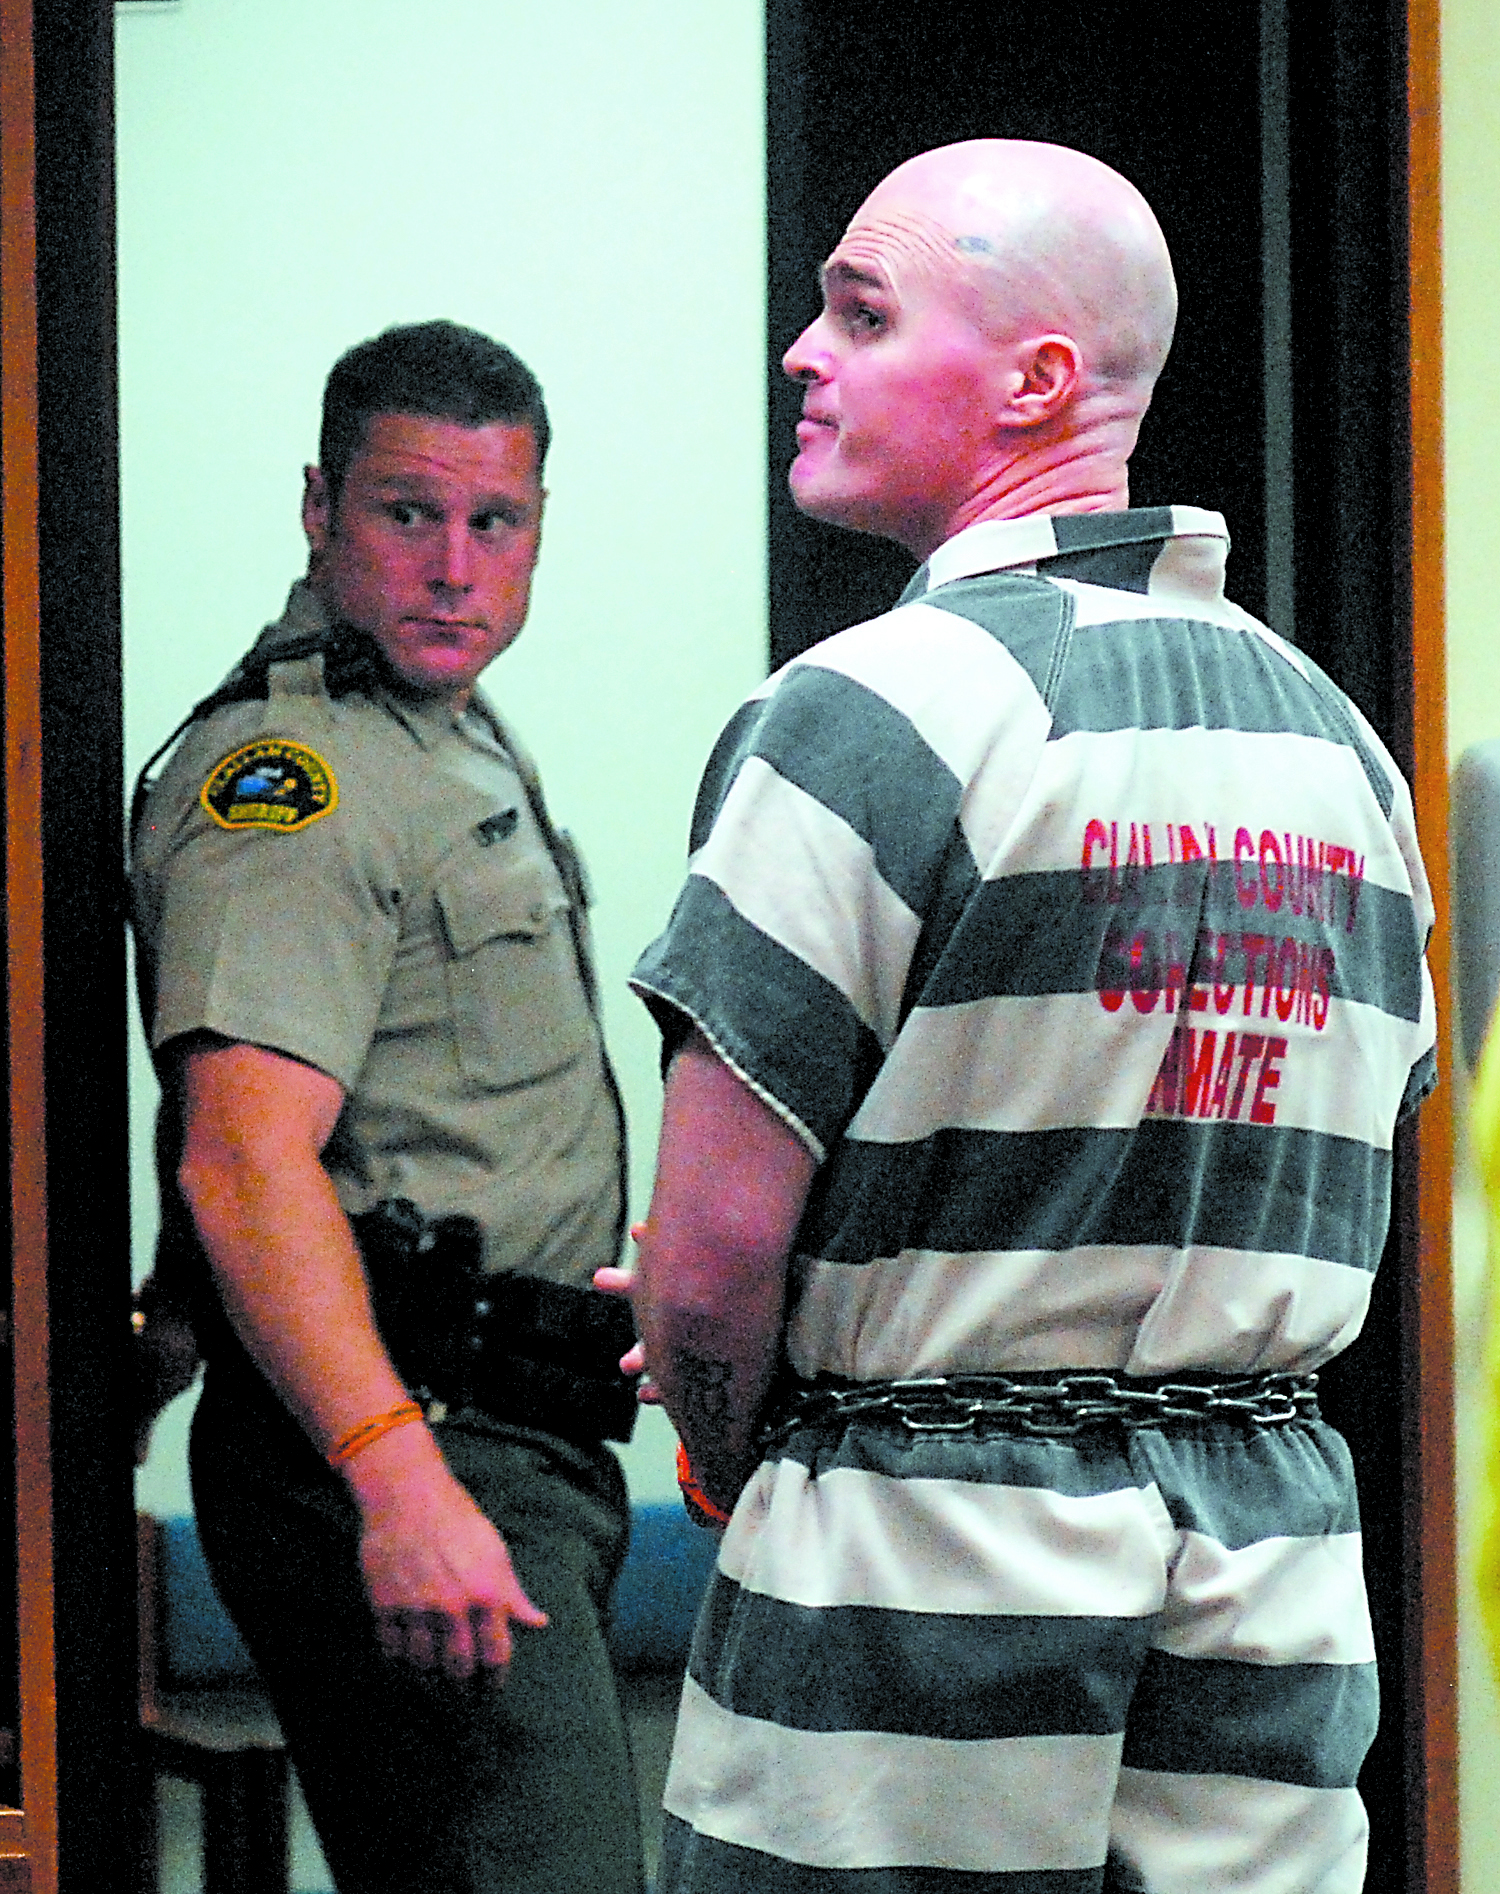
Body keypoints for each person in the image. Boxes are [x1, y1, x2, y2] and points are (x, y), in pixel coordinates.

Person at [601, 143, 1437, 1892]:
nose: (801, 353)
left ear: (1038, 379)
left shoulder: (863, 713)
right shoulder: (1341, 747)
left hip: (907, 1593)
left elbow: (704, 1259)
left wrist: (724, 1414)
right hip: (1272, 1596)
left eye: (862, 310)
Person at [130, 321, 645, 1894]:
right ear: (318, 508)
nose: (454, 566)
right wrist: (398, 1480)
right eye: (405, 513)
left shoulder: (445, 734)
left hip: (503, 1438)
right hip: (418, 1442)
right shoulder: (296, 774)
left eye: (499, 523)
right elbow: (241, 1155)